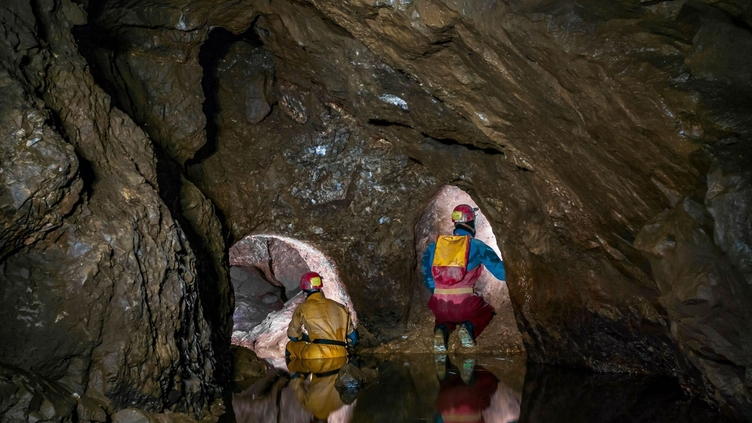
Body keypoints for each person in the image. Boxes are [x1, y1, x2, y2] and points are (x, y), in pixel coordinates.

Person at [422, 204, 506, 351]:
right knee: (487, 311)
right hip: (465, 305)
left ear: (455, 223)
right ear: (472, 223)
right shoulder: (477, 246)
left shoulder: (434, 247)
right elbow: (501, 273)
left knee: (444, 318)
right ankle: (469, 328)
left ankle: (441, 330)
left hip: (438, 304)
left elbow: (428, 279)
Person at [286, 271, 358, 359]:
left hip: (317, 355)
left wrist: (305, 338)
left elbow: (292, 335)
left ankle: (301, 372)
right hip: (341, 354)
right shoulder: (341, 307)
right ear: (320, 288)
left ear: (304, 291)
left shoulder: (302, 308)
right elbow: (352, 337)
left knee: (290, 346)